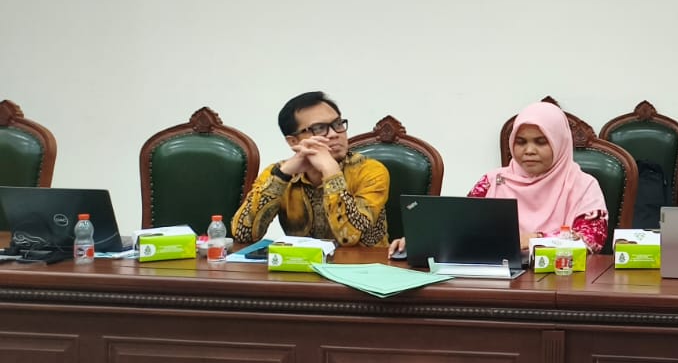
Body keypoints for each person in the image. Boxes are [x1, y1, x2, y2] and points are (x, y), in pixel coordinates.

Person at [388, 101, 607, 256]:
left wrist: (535, 239)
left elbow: (591, 240)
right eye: (521, 142)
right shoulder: (492, 181)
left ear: (560, 143)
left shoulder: (583, 184)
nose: (529, 150)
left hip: (559, 279)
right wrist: (420, 241)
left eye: (541, 142)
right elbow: (459, 226)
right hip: (496, 278)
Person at [232, 91, 390, 247]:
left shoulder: (370, 171)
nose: (334, 134)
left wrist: (331, 171)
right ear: (294, 141)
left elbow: (349, 237)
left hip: (364, 262)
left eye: (338, 124)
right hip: (299, 262)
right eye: (319, 128)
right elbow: (243, 234)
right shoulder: (279, 173)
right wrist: (282, 175)